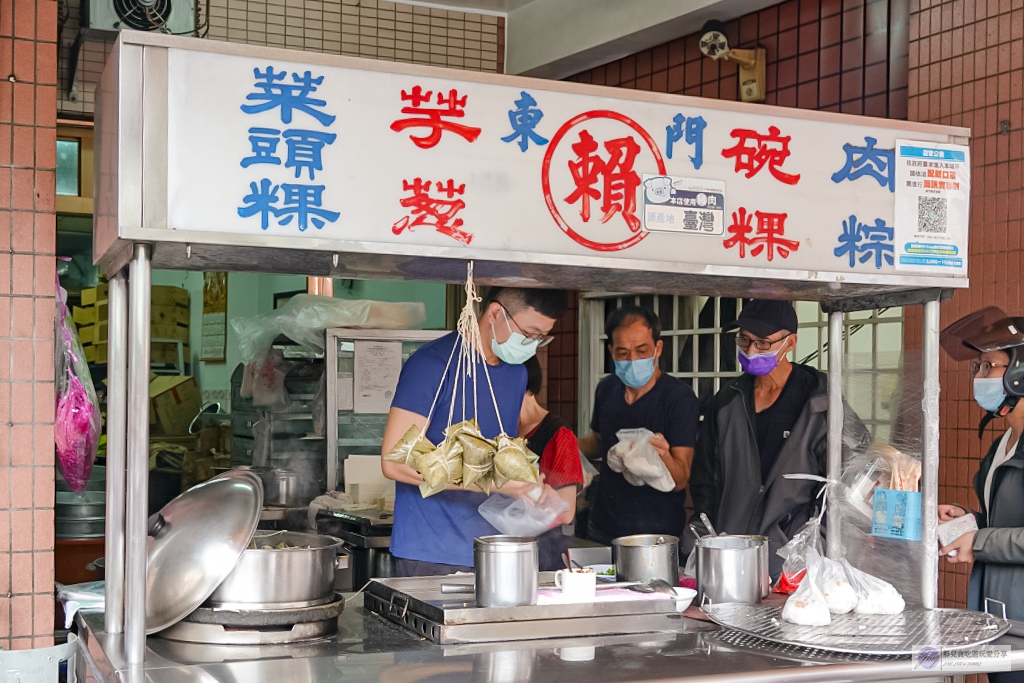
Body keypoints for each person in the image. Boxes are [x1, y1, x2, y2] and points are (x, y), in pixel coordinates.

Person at [380, 286, 568, 577]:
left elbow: (493, 457)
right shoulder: (432, 365)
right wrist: (493, 481)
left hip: (492, 548)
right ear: (495, 313)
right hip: (430, 551)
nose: (532, 345)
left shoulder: (516, 373)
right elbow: (395, 461)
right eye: (529, 334)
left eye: (541, 338)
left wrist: (530, 487)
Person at [686, 299, 870, 578]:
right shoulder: (727, 401)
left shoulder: (820, 402)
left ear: (790, 342)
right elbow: (705, 484)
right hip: (732, 557)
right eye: (744, 340)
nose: (750, 350)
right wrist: (705, 541)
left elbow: (850, 485)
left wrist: (812, 546)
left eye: (762, 343)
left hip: (793, 562)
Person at [937, 307, 1024, 669]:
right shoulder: (1006, 441)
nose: (980, 376)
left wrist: (980, 542)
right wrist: (968, 521)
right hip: (999, 616)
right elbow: (1004, 517)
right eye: (978, 368)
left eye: (990, 366)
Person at [578, 305, 700, 545]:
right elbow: (599, 443)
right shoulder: (607, 388)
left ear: (658, 348)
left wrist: (664, 455)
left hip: (654, 533)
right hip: (603, 525)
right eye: (623, 353)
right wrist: (559, 443)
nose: (632, 359)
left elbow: (681, 479)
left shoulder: (679, 398)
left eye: (642, 351)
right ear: (611, 351)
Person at [518, 356, 584, 571]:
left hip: (541, 556)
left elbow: (566, 513)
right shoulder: (503, 430)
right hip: (505, 548)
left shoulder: (557, 433)